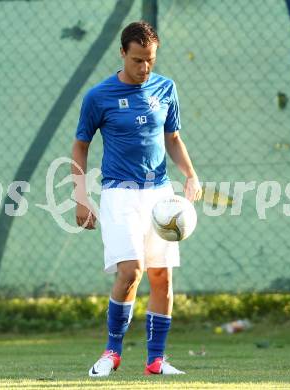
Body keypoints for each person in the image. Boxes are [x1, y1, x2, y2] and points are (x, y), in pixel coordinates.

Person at [71, 21, 202, 377]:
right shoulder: (98, 96)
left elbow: (172, 137)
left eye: (150, 60)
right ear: (123, 54)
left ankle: (155, 360)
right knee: (130, 271)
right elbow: (80, 145)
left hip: (161, 195)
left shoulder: (165, 87)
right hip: (119, 194)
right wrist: (81, 196)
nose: (145, 68)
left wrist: (190, 174)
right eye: (138, 60)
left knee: (161, 276)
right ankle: (111, 352)